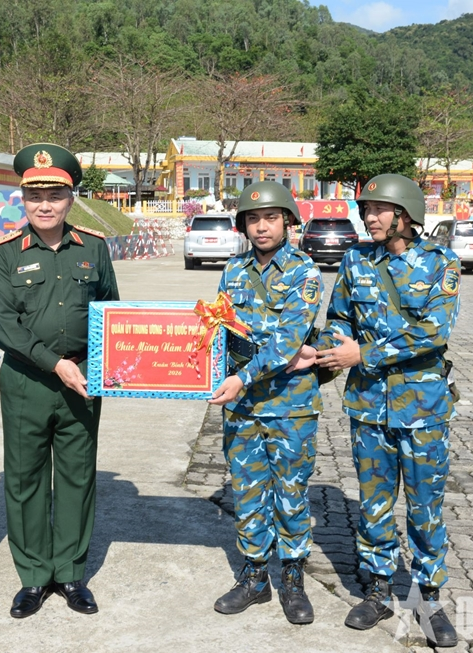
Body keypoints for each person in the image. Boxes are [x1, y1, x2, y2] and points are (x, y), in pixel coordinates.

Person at [312, 174, 460, 648]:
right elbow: (339, 319)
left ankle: (428, 597)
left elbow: (433, 333)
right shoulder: (356, 260)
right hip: (370, 408)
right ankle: (376, 590)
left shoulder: (442, 263)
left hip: (423, 408)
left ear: (405, 214)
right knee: (374, 504)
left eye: (379, 209)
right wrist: (328, 351)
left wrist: (364, 355)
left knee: (424, 507)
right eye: (365, 209)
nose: (369, 217)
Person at [0, 143, 120, 618]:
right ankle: (34, 578)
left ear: (70, 198)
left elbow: (111, 314)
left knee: (78, 477)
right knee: (24, 481)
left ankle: (70, 574)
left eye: (55, 195)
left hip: (83, 381)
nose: (45, 204)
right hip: (27, 382)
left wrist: (104, 368)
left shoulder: (95, 249)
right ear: (23, 199)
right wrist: (54, 363)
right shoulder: (2, 254)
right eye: (34, 195)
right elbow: (4, 325)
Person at [208, 181, 322, 625]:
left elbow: (288, 341)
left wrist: (241, 375)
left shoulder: (303, 272)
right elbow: (219, 330)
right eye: (252, 219)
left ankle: (292, 578)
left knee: (291, 495)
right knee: (248, 492)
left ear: (288, 221)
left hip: (289, 406)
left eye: (270, 218)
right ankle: (255, 577)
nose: (261, 227)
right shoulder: (232, 271)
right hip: (242, 407)